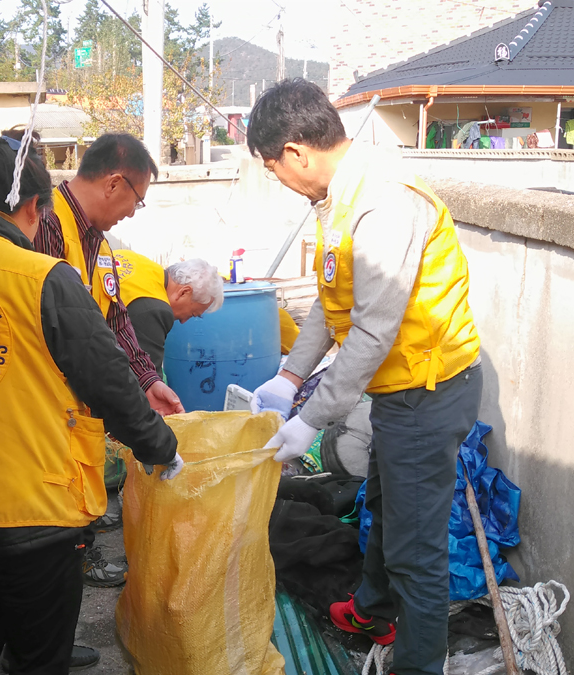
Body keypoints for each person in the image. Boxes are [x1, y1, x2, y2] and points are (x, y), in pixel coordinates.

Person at [0, 138, 182, 675]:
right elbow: (107, 380)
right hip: (35, 514)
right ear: (30, 207)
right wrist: (159, 444)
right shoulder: (42, 274)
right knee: (40, 658)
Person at [248, 79, 482, 675]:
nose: (279, 179)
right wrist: (289, 374)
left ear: (298, 151)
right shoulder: (337, 200)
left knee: (417, 556)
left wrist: (309, 418)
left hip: (426, 397)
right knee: (380, 501)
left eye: (275, 167)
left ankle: (418, 663)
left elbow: (375, 332)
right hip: (395, 392)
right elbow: (334, 305)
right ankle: (375, 609)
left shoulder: (382, 204)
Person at [32, 132, 184, 587]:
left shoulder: (99, 244)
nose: (131, 213)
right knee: (47, 506)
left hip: (80, 404)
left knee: (77, 486)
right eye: (136, 200)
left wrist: (147, 380)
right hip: (44, 401)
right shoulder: (44, 226)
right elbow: (63, 332)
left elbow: (116, 319)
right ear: (115, 183)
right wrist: (131, 412)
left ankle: (79, 549)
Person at [112, 250, 224, 371]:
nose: (183, 321)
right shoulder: (156, 310)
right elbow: (147, 379)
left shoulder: (136, 260)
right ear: (184, 292)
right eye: (191, 314)